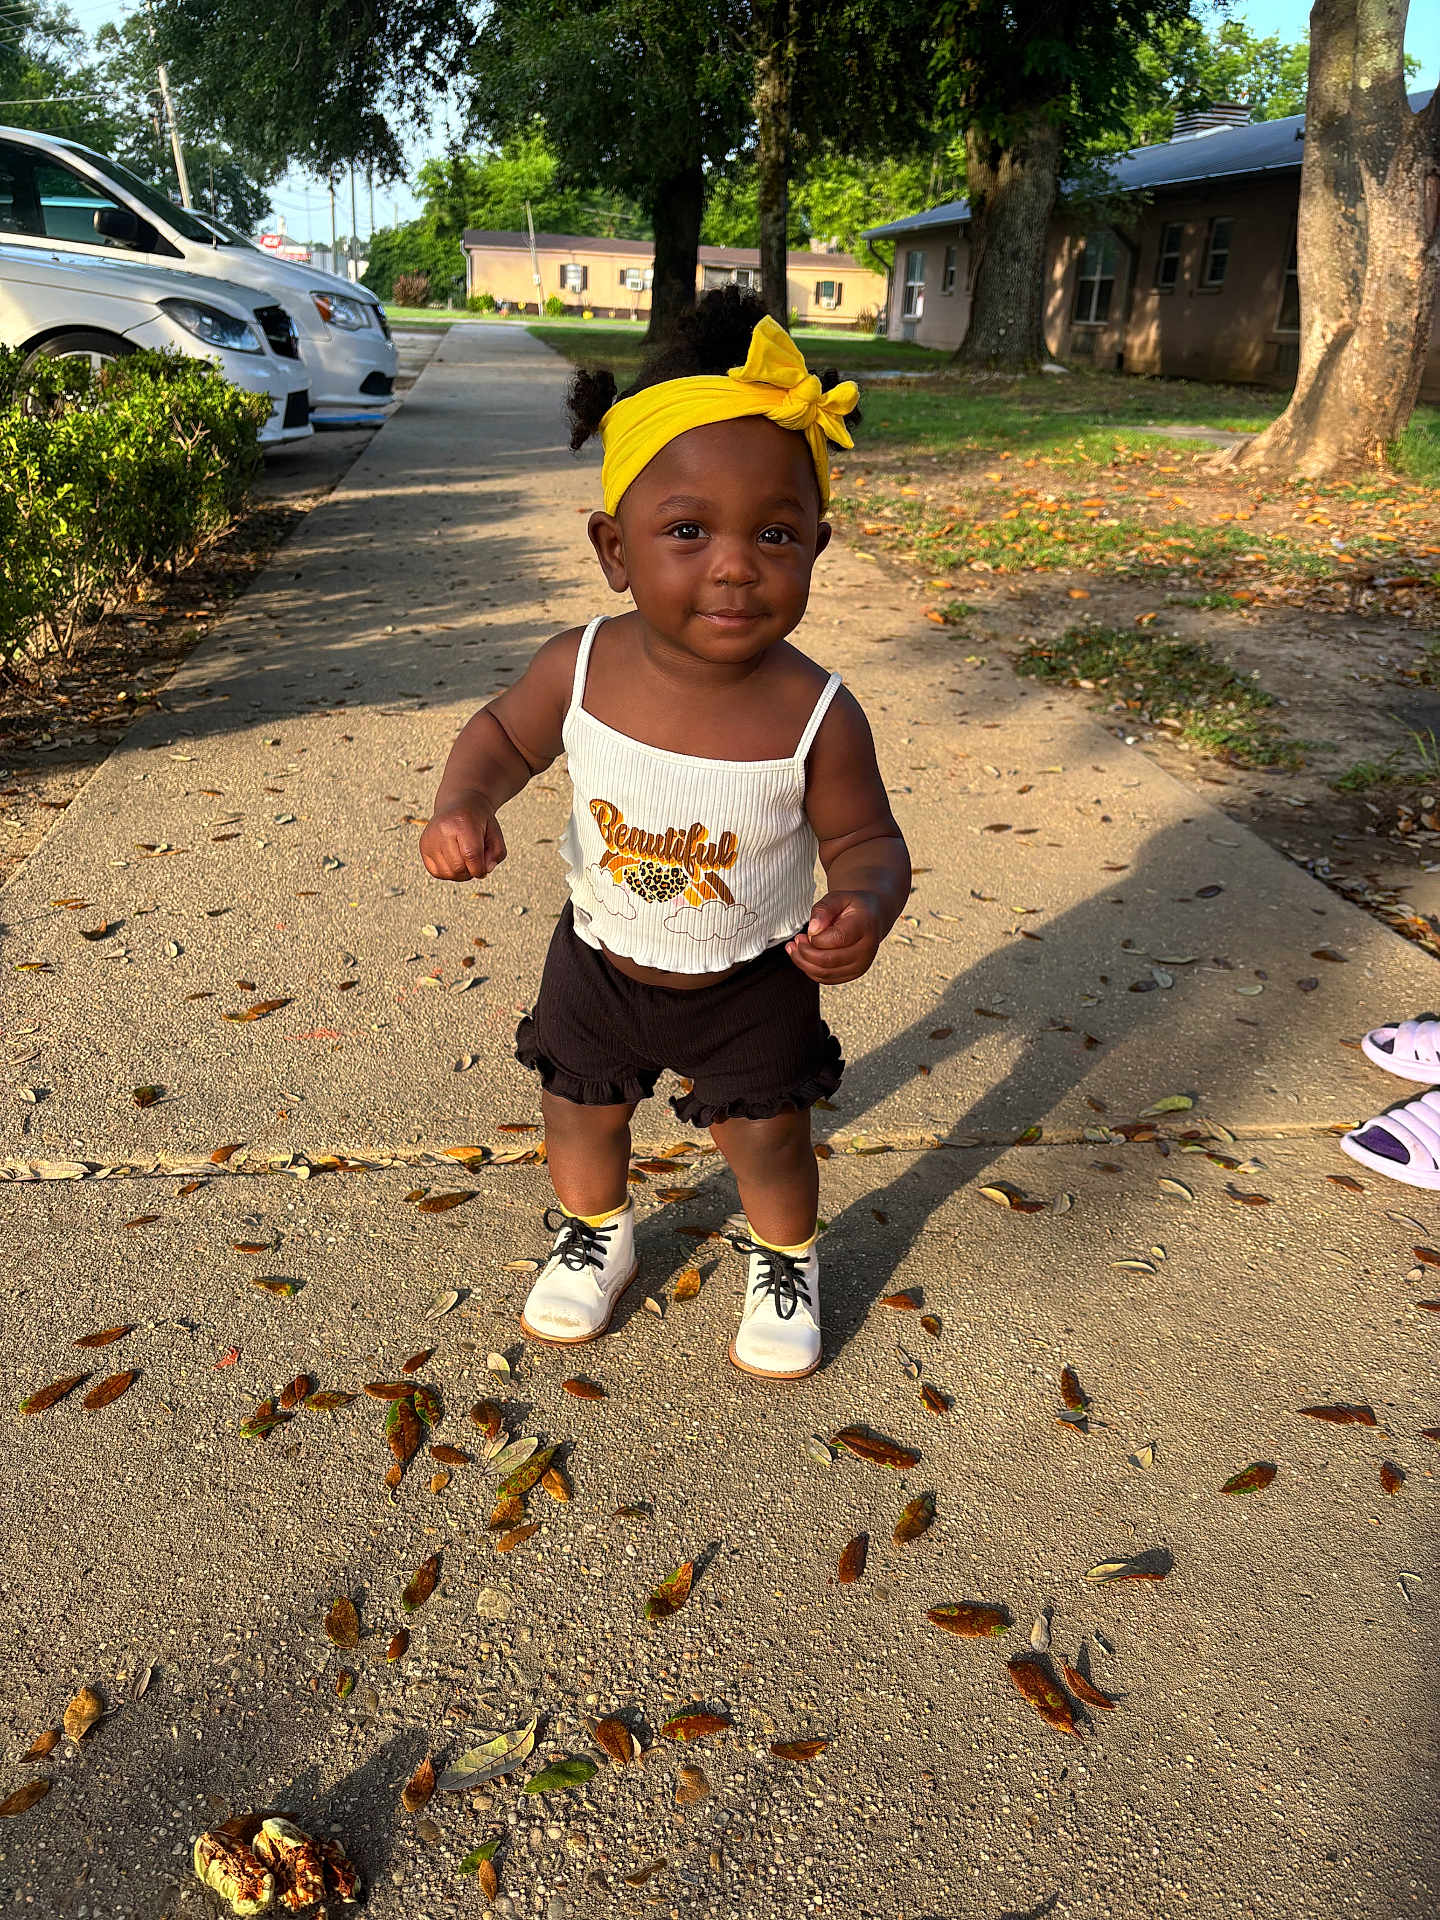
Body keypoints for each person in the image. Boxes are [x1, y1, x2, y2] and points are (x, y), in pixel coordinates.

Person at [419, 287, 910, 1381]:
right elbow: (501, 734)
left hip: (751, 977)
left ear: (817, 546)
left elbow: (870, 840)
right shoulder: (579, 668)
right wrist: (465, 801)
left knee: (769, 1139)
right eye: (687, 531)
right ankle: (597, 1232)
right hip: (599, 958)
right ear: (615, 548)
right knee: (579, 1119)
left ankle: (786, 1255)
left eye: (775, 534)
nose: (734, 563)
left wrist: (864, 904)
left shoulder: (817, 713)